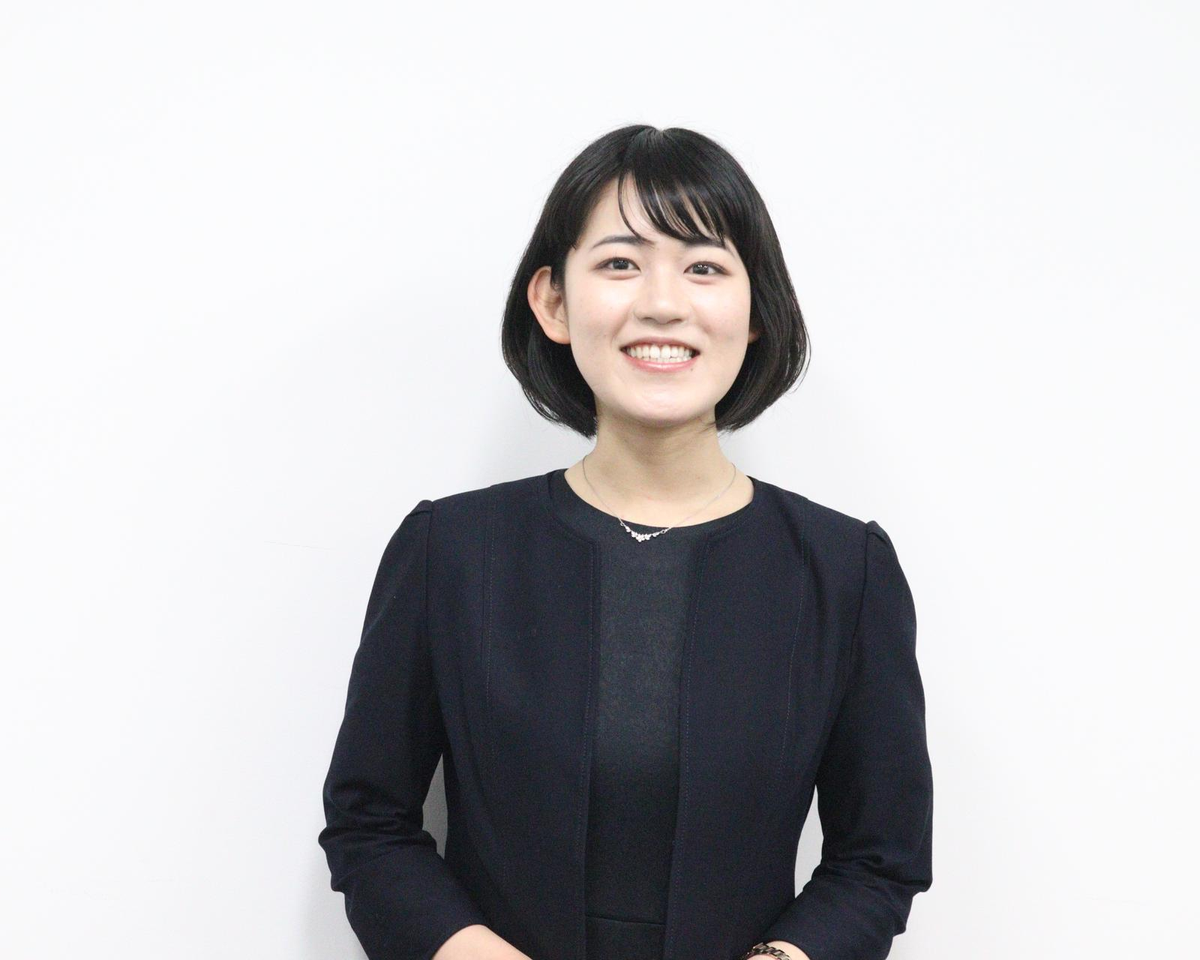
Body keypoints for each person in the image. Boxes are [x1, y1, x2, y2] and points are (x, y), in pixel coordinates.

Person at [317, 124, 933, 960]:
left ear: (757, 310)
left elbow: (879, 858)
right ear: (553, 303)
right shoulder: (449, 552)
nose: (663, 303)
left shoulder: (842, 571)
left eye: (704, 267)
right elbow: (370, 824)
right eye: (620, 263)